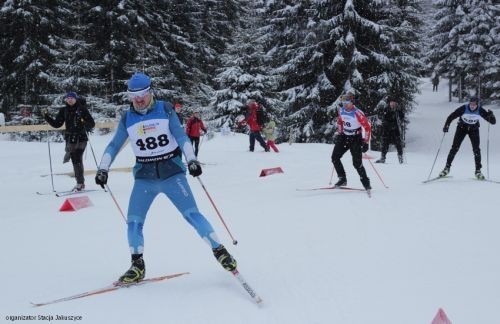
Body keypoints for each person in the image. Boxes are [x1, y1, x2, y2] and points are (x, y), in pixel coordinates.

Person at [94, 72, 237, 284]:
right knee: (133, 222)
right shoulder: (127, 118)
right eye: (133, 95)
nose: (139, 99)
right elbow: (114, 145)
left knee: (192, 215)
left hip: (172, 173)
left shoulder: (165, 109)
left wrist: (192, 159)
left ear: (150, 91)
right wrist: (103, 168)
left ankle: (220, 251)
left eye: (142, 93)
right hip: (145, 177)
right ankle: (137, 266)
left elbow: (180, 136)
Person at [42, 92, 95, 191]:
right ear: (66, 100)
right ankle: (80, 182)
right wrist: (46, 116)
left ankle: (80, 183)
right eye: (68, 98)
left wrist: (84, 122)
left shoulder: (82, 109)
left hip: (81, 138)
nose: (70, 100)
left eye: (72, 98)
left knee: (77, 158)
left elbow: (91, 123)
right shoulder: (64, 110)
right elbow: (57, 124)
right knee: (76, 159)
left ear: (76, 99)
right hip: (70, 138)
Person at [439, 96, 496, 179]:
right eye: (471, 103)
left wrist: (491, 115)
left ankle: (478, 171)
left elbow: (493, 122)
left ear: (477, 104)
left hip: (474, 130)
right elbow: (451, 116)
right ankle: (446, 168)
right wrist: (446, 126)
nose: (472, 105)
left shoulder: (480, 110)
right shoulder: (463, 108)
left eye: (474, 104)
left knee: (476, 150)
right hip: (461, 129)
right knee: (454, 148)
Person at [331, 93, 372, 190]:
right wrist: (340, 133)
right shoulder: (341, 110)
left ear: (352, 102)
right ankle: (342, 179)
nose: (345, 105)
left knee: (357, 163)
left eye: (347, 103)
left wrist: (365, 142)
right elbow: (340, 122)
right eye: (343, 102)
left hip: (355, 138)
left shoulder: (357, 113)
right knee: (335, 157)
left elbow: (367, 127)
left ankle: (366, 183)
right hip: (344, 136)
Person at [375, 98, 404, 164]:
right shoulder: (386, 109)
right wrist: (386, 124)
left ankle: (400, 158)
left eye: (394, 103)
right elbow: (384, 119)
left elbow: (402, 117)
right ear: (389, 103)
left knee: (398, 144)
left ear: (396, 103)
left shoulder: (398, 110)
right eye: (391, 102)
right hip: (387, 130)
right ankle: (383, 158)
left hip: (396, 130)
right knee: (385, 144)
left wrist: (399, 113)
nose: (392, 104)